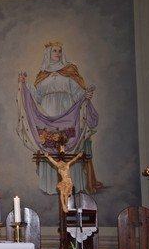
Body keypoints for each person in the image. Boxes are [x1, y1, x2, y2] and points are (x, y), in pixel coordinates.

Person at [17, 41, 101, 194]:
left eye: (60, 51)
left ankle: (72, 185)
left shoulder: (70, 71)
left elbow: (77, 93)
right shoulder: (42, 74)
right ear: (48, 53)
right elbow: (37, 96)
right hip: (47, 112)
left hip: (67, 110)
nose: (57, 53)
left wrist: (85, 95)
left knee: (68, 143)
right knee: (50, 142)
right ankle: (51, 186)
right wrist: (25, 85)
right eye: (54, 51)